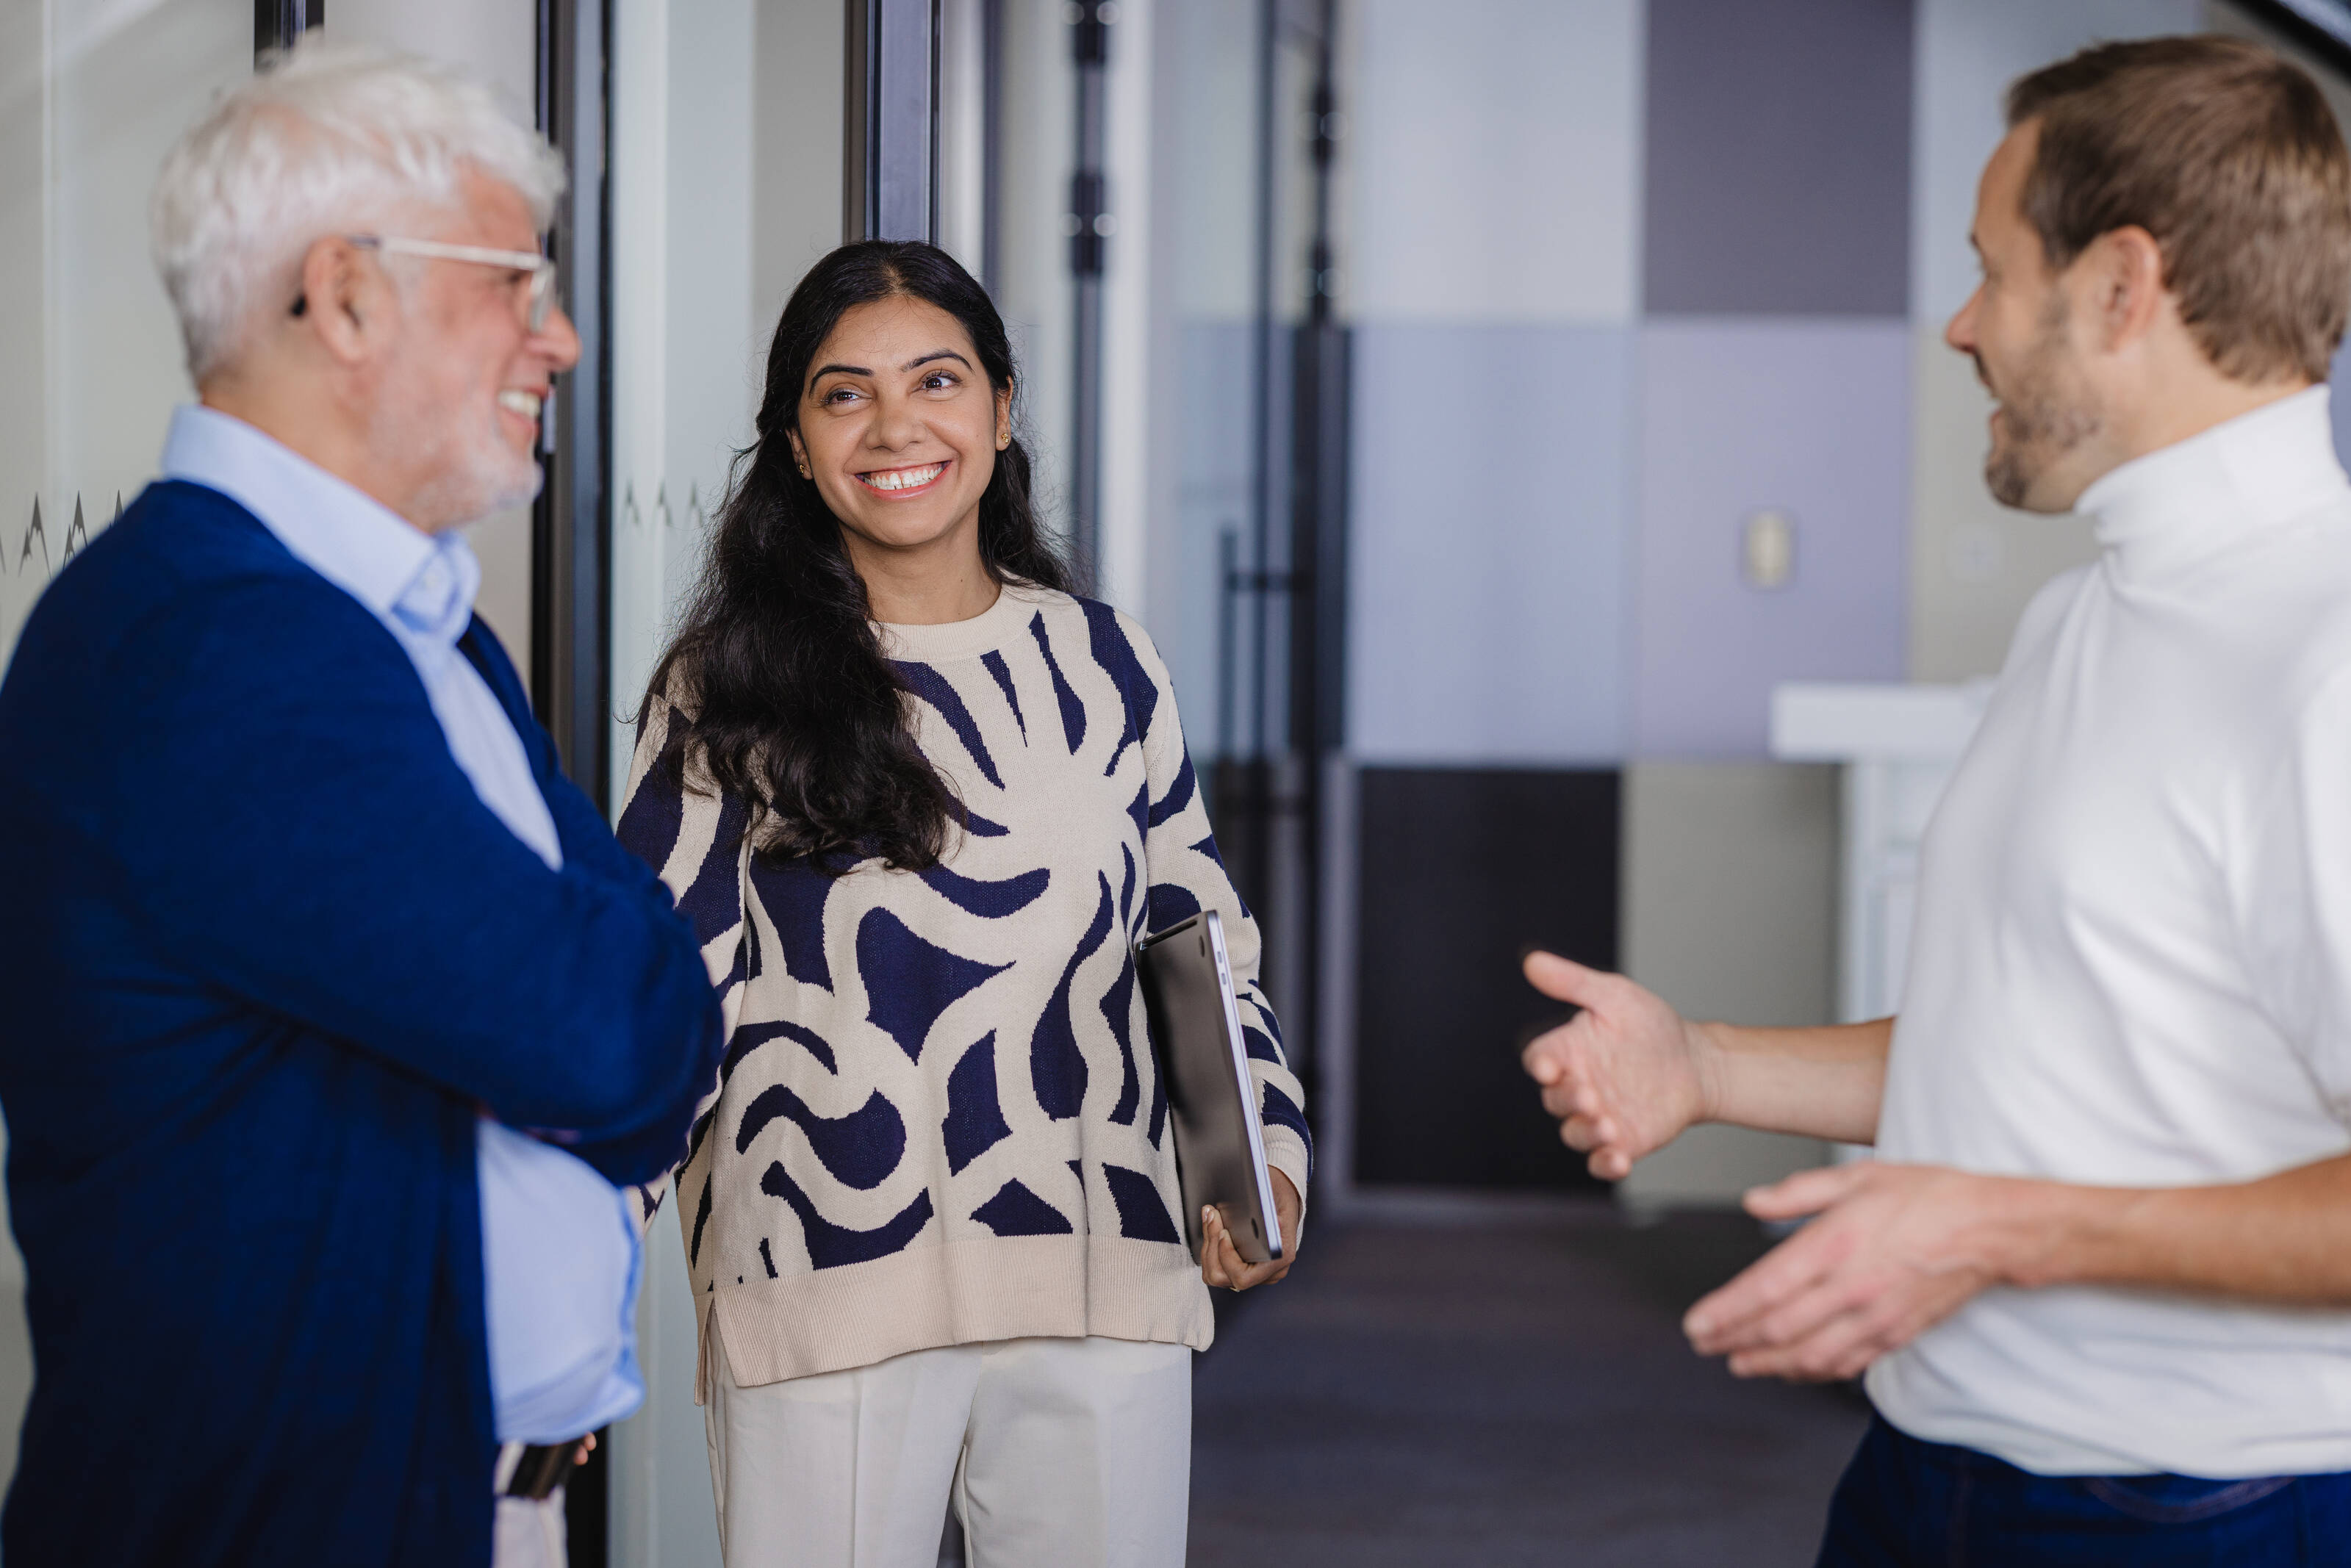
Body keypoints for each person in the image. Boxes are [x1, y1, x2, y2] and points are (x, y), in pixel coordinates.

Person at [1523, 35, 2351, 1566]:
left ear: (2120, 285)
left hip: (2199, 1508)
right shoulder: (2086, 615)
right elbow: (2052, 1048)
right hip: (1938, 1462)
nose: (1960, 326)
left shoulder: (2324, 659)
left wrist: (1993, 1225)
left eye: (1990, 270)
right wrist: (1700, 1062)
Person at [0, 40, 722, 1568]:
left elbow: (614, 1008)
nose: (562, 337)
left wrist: (621, 1000)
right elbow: (618, 1024)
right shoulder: (213, 646)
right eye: (513, 285)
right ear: (340, 297)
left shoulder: (406, 620)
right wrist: (626, 1000)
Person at [614, 239, 1311, 1567]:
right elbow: (650, 993)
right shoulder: (726, 689)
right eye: (843, 393)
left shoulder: (1105, 661)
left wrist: (1262, 1150)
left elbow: (1201, 939)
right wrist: (562, 1261)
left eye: (936, 380)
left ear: (999, 408)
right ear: (798, 444)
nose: (895, 427)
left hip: (1104, 1273)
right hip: (824, 1280)